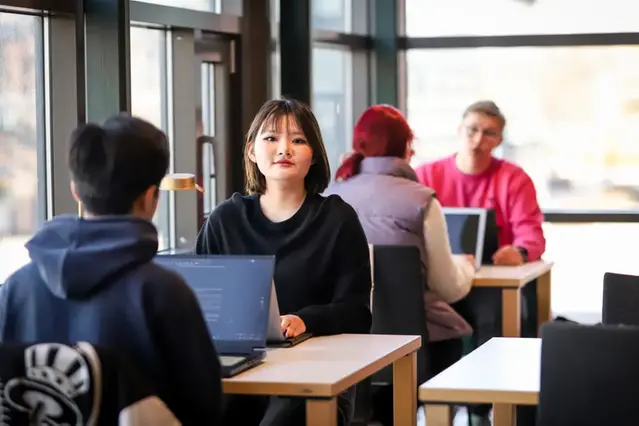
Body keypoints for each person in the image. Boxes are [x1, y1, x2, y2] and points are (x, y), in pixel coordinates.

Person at [0, 115, 223, 425]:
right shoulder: (163, 292)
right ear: (151, 197)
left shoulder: (14, 288)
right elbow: (205, 409)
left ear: (76, 191)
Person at [195, 98, 372, 426]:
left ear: (314, 154)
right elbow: (203, 307)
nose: (284, 148)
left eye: (298, 140)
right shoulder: (225, 220)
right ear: (251, 151)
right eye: (271, 138)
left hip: (319, 376)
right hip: (240, 372)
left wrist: (305, 320)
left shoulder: (337, 219)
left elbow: (358, 313)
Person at [324, 104, 476, 425]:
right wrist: (467, 267)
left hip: (343, 345)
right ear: (407, 147)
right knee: (456, 330)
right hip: (411, 347)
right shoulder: (421, 200)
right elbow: (447, 287)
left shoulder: (328, 196)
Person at [414, 101, 545, 425]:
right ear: (460, 130)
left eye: (489, 133)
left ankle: (480, 408)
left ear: (499, 140)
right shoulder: (428, 174)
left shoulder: (513, 178)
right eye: (472, 129)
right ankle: (429, 402)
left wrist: (521, 252)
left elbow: (532, 234)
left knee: (493, 315)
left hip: (489, 283)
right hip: (440, 282)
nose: (478, 139)